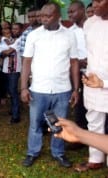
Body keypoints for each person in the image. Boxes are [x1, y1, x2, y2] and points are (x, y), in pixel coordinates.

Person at [20, 2, 79, 168]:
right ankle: (32, 152)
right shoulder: (34, 35)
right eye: (42, 16)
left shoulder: (69, 35)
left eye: (48, 16)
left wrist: (76, 89)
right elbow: (26, 62)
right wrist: (24, 87)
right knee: (35, 124)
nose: (43, 19)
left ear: (59, 16)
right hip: (39, 89)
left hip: (63, 89)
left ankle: (58, 153)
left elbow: (74, 62)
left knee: (59, 124)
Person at [74, 0, 108, 172]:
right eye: (93, 1)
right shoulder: (90, 23)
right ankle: (96, 158)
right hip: (93, 81)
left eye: (99, 0)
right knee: (94, 120)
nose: (94, 5)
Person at [67, 0, 88, 132]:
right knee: (79, 104)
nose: (69, 15)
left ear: (82, 10)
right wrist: (78, 62)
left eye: (72, 11)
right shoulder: (69, 32)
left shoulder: (94, 27)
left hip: (96, 72)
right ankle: (81, 134)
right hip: (77, 72)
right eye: (68, 12)